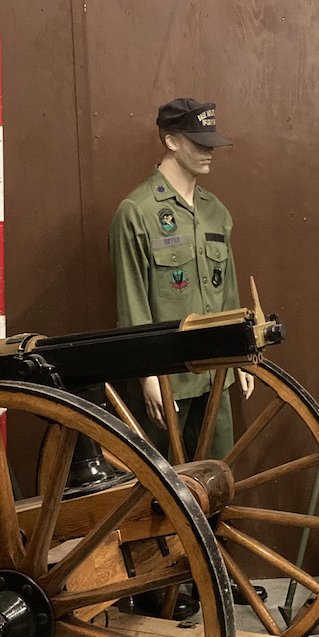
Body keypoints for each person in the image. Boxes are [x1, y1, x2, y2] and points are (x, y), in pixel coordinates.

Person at [110, 98, 254, 463]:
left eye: (211, 144)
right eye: (199, 144)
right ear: (171, 142)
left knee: (216, 483)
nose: (209, 153)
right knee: (159, 492)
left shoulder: (216, 212)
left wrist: (241, 356)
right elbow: (133, 305)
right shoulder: (136, 213)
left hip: (216, 378)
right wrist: (148, 376)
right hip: (168, 379)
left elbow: (229, 291)